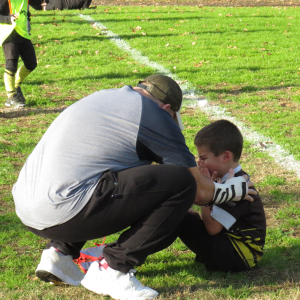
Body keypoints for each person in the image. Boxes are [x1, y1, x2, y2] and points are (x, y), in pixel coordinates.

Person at [12, 75, 256, 300]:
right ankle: (114, 268)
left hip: (28, 208)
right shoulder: (155, 115)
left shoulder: (104, 96)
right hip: (66, 210)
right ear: (167, 109)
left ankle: (59, 254)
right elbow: (200, 192)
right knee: (180, 181)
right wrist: (238, 189)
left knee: (107, 171)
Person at [176, 120, 266, 272]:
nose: (199, 163)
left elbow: (212, 228)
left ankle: (131, 258)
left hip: (239, 255)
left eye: (203, 158)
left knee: (178, 216)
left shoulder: (238, 186)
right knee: (180, 212)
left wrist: (206, 198)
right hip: (233, 248)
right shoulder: (224, 178)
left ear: (225, 157)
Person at [0, 0, 37, 108]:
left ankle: (15, 86)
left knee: (31, 64)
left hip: (23, 34)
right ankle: (11, 95)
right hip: (9, 35)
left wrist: (27, 19)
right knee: (11, 66)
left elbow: (30, 9)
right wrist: (8, 19)